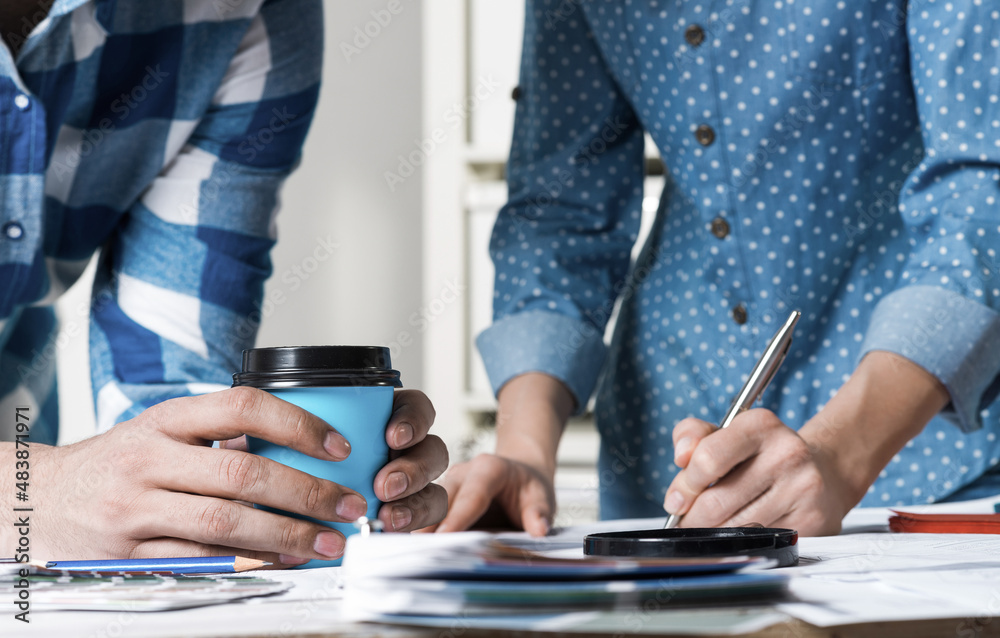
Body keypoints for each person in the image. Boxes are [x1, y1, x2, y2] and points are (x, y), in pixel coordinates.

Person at [433, 0, 1000, 537]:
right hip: (668, 440)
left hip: (922, 442)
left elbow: (984, 184)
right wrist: (523, 455)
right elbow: (560, 210)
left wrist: (842, 453)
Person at [0, 0, 447, 563]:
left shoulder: (244, 11)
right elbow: (41, 501)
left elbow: (161, 388)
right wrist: (32, 492)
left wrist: (228, 478)